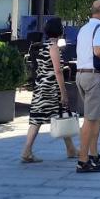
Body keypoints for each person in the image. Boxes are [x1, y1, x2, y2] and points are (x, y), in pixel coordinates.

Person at [21, 18, 78, 163]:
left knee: (38, 119)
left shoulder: (41, 46)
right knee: (61, 114)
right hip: (50, 89)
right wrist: (63, 92)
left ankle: (28, 150)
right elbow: (57, 71)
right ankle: (70, 149)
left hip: (40, 87)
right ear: (59, 31)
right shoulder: (53, 47)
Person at [74, 0, 100, 173]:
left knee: (97, 115)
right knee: (90, 118)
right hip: (93, 75)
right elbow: (98, 51)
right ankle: (83, 159)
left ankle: (94, 154)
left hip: (80, 74)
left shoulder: (84, 28)